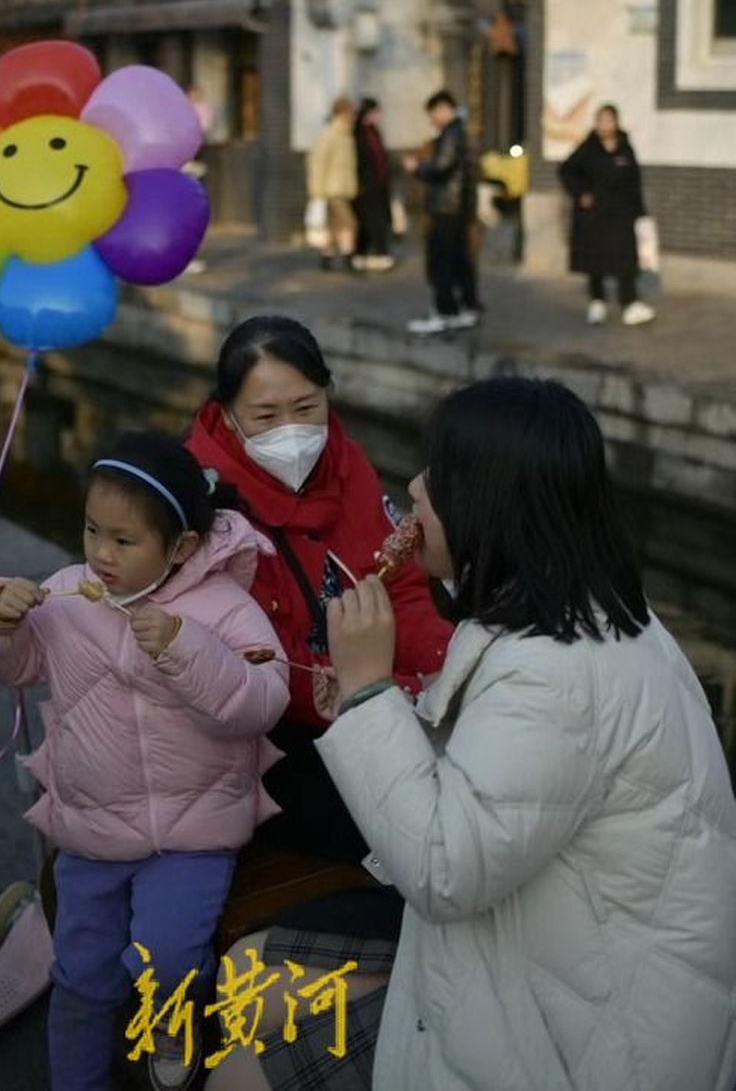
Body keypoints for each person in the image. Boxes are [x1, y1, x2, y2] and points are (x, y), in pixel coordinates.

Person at [209, 376, 736, 1091]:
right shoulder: (573, 605)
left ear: (487, 502)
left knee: (240, 1070)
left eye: (439, 473)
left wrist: (369, 693)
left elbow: (442, 870)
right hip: (538, 940)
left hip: (585, 1030)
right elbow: (495, 795)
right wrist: (373, 711)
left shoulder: (555, 675)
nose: (416, 490)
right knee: (243, 979)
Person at [0, 431, 289, 1091]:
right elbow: (12, 668)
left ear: (182, 548)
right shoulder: (66, 593)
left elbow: (259, 702)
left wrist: (184, 647)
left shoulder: (227, 609)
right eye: (92, 532)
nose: (101, 556)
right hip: (93, 829)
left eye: (123, 541)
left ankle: (171, 1019)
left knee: (168, 959)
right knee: (80, 979)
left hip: (192, 833)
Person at [187, 315, 452, 867]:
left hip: (373, 691)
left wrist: (442, 671)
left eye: (306, 408)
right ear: (228, 417)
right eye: (265, 416)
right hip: (280, 731)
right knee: (399, 834)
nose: (292, 430)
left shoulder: (344, 460)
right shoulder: (208, 508)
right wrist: (396, 697)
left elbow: (397, 580)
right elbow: (278, 667)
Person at [559, 103, 655, 326]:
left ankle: (630, 304)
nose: (604, 125)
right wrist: (581, 194)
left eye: (608, 120)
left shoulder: (625, 148)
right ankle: (597, 302)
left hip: (621, 215)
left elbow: (634, 182)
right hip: (594, 217)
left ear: (616, 122)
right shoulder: (588, 148)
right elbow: (566, 171)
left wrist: (640, 213)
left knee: (626, 260)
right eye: (600, 120)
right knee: (595, 260)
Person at [404, 89, 481, 333]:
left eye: (432, 114)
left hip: (446, 206)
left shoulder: (451, 133)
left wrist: (417, 168)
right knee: (459, 259)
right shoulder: (460, 132)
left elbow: (441, 166)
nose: (432, 120)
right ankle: (465, 307)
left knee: (440, 261)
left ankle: (445, 310)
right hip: (457, 206)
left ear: (443, 109)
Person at [307, 96, 358, 271]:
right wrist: (317, 192)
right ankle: (347, 258)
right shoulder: (331, 135)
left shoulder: (346, 135)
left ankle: (327, 258)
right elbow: (318, 163)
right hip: (333, 189)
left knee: (334, 227)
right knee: (348, 224)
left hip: (341, 188)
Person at [352, 97, 395, 272]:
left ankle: (373, 253)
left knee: (377, 219)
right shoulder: (358, 134)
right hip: (365, 185)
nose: (378, 116)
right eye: (375, 112)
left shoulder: (374, 132)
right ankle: (371, 253)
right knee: (369, 221)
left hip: (379, 184)